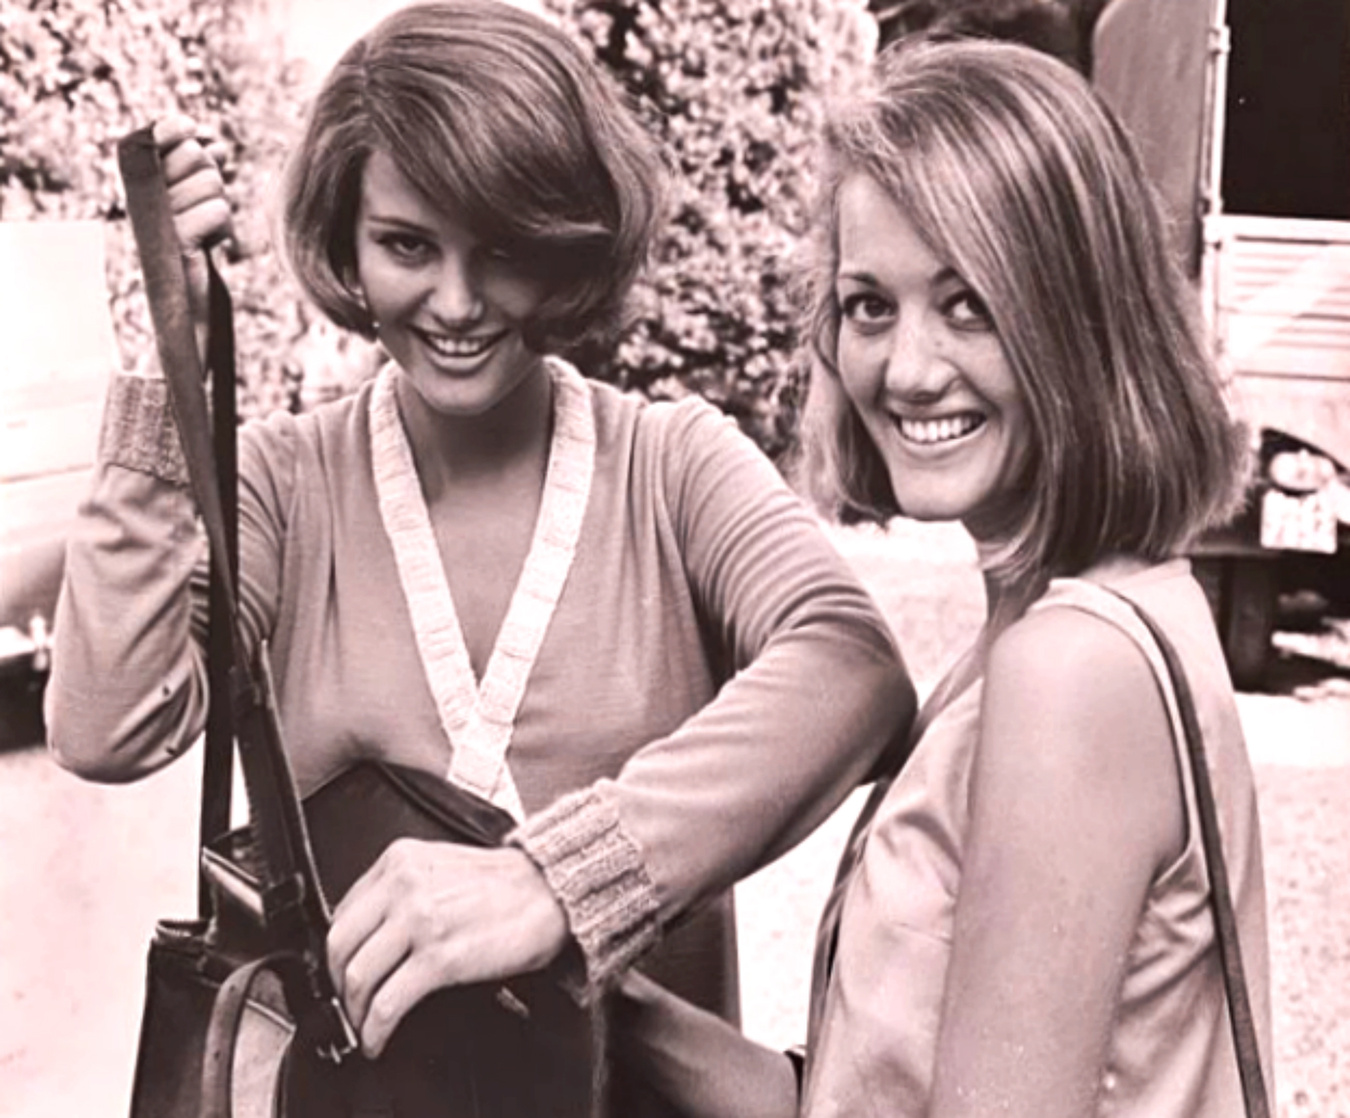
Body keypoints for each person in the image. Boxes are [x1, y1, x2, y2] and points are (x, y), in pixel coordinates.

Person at [43, 0, 916, 1109]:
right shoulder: (284, 486)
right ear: (347, 240)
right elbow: (106, 724)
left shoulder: (671, 465)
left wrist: (564, 882)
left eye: (502, 250)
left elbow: (855, 668)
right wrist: (166, 357)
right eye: (408, 245)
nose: (456, 305)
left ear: (568, 247)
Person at [610, 36, 1272, 1118]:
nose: (908, 370)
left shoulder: (1071, 666)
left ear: (1081, 315)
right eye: (870, 305)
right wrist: (595, 989)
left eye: (969, 303)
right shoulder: (1078, 619)